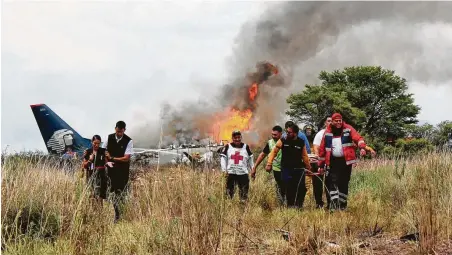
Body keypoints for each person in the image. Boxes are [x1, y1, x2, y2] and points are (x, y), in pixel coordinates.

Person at [318, 113, 375, 210]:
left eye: (340, 120)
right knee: (332, 183)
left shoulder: (348, 129)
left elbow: (358, 138)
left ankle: (343, 206)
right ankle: (333, 205)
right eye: (336, 121)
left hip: (345, 162)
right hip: (332, 162)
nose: (339, 123)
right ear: (332, 121)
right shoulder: (327, 132)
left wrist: (362, 148)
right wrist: (320, 165)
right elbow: (322, 150)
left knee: (343, 183)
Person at [266, 122, 311, 209]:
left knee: (302, 188)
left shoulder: (301, 142)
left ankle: (299, 205)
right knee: (288, 187)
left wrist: (308, 166)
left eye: (289, 132)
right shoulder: (283, 140)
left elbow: (304, 155)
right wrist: (269, 163)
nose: (287, 134)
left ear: (295, 133)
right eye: (287, 132)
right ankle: (290, 206)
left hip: (299, 169)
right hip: (286, 169)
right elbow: (274, 152)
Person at [104, 121, 133, 222]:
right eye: (117, 131)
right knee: (112, 192)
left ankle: (120, 215)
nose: (119, 134)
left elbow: (126, 158)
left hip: (122, 171)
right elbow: (104, 151)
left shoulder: (128, 141)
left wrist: (112, 158)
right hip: (111, 170)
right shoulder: (109, 138)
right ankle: (115, 214)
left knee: (121, 193)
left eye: (121, 132)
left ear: (124, 130)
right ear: (115, 129)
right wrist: (107, 162)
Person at [250, 125, 285, 205]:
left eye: (275, 134)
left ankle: (289, 204)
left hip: (286, 169)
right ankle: (281, 204)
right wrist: (254, 167)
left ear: (280, 134)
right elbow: (262, 155)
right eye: (272, 134)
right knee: (279, 186)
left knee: (287, 186)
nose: (273, 136)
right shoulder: (270, 143)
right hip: (276, 169)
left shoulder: (285, 141)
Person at [220, 130, 254, 202]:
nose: (237, 139)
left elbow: (251, 158)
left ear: (241, 137)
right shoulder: (228, 146)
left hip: (243, 173)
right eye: (235, 138)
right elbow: (223, 159)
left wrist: (253, 169)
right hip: (231, 173)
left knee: (244, 191)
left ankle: (243, 206)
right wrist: (224, 170)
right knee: (229, 192)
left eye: (239, 137)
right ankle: (230, 206)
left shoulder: (246, 147)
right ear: (232, 138)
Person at [82, 135, 108, 205]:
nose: (96, 145)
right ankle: (93, 212)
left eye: (98, 143)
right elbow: (84, 165)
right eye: (95, 143)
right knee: (92, 195)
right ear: (91, 142)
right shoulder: (87, 151)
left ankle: (100, 213)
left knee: (100, 196)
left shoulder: (103, 151)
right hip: (90, 175)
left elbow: (107, 163)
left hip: (101, 176)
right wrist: (90, 160)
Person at [303, 124, 325, 208]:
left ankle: (319, 203)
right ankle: (306, 202)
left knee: (318, 184)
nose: (308, 131)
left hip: (317, 164)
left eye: (310, 129)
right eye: (307, 129)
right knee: (306, 183)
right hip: (307, 164)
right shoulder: (302, 139)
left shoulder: (317, 138)